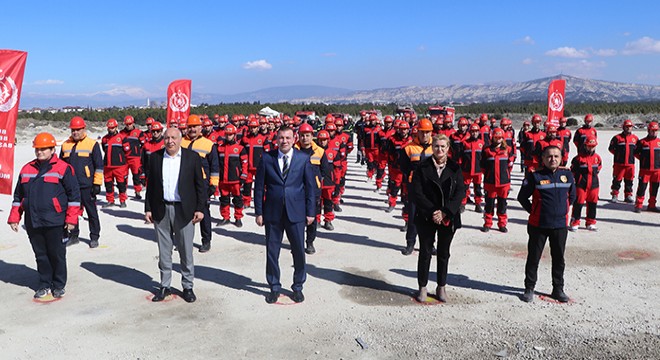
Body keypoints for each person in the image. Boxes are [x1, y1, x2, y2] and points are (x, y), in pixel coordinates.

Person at [8, 133, 81, 299]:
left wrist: (71, 220)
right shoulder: (27, 169)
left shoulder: (63, 168)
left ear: (52, 149)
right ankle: (44, 284)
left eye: (43, 149)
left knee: (56, 254)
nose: (39, 152)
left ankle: (59, 284)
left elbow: (74, 197)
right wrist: (14, 217)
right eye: (37, 149)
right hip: (33, 221)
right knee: (40, 255)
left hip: (55, 221)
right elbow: (18, 197)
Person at [254, 126, 316, 304]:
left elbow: (310, 188)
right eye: (281, 138)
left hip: (296, 213)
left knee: (298, 251)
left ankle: (298, 287)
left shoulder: (303, 159)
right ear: (276, 139)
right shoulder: (267, 158)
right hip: (272, 213)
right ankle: (274, 286)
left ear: (294, 138)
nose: (284, 141)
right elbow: (259, 188)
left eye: (288, 137)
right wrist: (259, 212)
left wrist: (311, 212)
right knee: (272, 252)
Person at [144, 128, 206, 303]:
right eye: (167, 137)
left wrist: (200, 209)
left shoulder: (192, 158)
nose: (170, 141)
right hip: (161, 209)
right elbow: (151, 186)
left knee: (186, 250)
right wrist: (148, 208)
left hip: (184, 210)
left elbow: (200, 186)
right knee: (164, 251)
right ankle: (165, 285)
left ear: (180, 139)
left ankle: (187, 286)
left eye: (173, 138)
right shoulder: (155, 158)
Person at [409, 134, 464, 302]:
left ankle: (441, 286)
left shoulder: (455, 168)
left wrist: (445, 212)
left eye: (443, 147)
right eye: (436, 146)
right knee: (425, 252)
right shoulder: (422, 167)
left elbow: (460, 192)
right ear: (432, 148)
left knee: (443, 253)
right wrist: (433, 211)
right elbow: (416, 192)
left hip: (447, 217)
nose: (439, 150)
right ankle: (423, 287)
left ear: (448, 149)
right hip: (427, 216)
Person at [517, 146, 576, 303]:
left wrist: (562, 211)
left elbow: (573, 196)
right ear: (542, 159)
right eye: (549, 156)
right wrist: (534, 211)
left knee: (558, 259)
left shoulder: (567, 175)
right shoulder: (535, 176)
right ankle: (529, 288)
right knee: (534, 257)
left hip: (560, 225)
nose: (553, 159)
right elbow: (522, 197)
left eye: (556, 156)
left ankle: (558, 289)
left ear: (561, 158)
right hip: (538, 225)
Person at [60, 116, 104, 248]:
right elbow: (60, 165)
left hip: (87, 186)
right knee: (71, 212)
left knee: (91, 213)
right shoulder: (65, 145)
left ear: (83, 129)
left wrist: (97, 184)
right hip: (70, 187)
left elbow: (99, 166)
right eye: (73, 130)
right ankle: (73, 236)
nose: (75, 132)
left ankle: (94, 237)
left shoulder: (92, 144)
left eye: (78, 129)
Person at [181, 115, 219, 252]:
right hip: (184, 184)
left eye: (195, 126)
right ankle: (184, 241)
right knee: (184, 214)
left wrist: (213, 185)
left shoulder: (208, 144)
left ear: (200, 128)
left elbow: (214, 167)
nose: (192, 129)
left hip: (202, 185)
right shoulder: (181, 143)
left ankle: (206, 240)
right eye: (190, 126)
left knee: (203, 213)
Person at [480, 128, 514, 232]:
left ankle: (502, 223)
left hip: (504, 183)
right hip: (490, 183)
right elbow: (482, 166)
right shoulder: (486, 150)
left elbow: (510, 164)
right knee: (489, 204)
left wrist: (506, 174)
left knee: (502, 204)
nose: (498, 139)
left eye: (500, 137)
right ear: (492, 137)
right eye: (496, 137)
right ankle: (488, 223)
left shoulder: (508, 149)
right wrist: (489, 175)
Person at [570, 136, 602, 231]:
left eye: (593, 146)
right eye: (589, 146)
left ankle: (591, 222)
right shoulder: (578, 159)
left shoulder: (597, 158)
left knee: (592, 204)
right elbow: (573, 171)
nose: (591, 148)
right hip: (581, 185)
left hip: (594, 185)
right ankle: (575, 222)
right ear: (585, 146)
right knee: (578, 204)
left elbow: (599, 167)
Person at [101, 118, 129, 208]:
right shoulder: (104, 139)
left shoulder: (122, 138)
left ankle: (122, 200)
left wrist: (121, 160)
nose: (111, 129)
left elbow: (127, 151)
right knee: (108, 184)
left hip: (119, 166)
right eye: (109, 128)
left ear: (116, 127)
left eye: (113, 127)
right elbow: (104, 149)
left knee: (121, 184)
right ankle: (110, 200)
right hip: (107, 166)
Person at [633, 121, 660, 213]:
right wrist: (643, 160)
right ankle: (638, 205)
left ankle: (652, 205)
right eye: (652, 130)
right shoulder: (642, 142)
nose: (654, 132)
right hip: (645, 170)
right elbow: (636, 153)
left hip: (657, 170)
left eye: (656, 130)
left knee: (654, 188)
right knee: (642, 188)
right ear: (648, 130)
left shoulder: (659, 142)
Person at [608, 119, 638, 203]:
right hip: (619, 164)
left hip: (630, 164)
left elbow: (637, 151)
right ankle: (614, 194)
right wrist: (618, 156)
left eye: (630, 127)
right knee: (617, 180)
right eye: (627, 127)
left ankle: (628, 195)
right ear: (623, 127)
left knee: (629, 180)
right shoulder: (617, 138)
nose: (628, 128)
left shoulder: (635, 139)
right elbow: (611, 149)